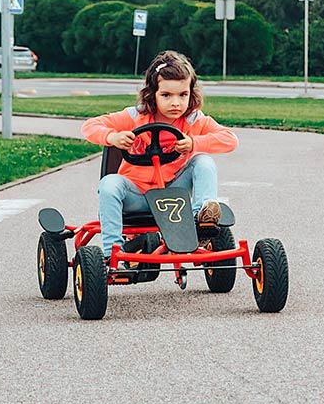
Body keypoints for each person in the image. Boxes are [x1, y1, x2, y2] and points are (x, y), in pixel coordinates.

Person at [81, 50, 238, 257]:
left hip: (174, 195)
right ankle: (112, 253)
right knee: (109, 183)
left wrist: (194, 142)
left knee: (203, 161)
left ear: (191, 93)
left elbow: (230, 140)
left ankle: (201, 220)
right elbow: (89, 126)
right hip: (136, 195)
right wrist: (113, 137)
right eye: (166, 95)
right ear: (152, 94)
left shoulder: (193, 120)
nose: (176, 103)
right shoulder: (135, 116)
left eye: (183, 95)